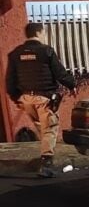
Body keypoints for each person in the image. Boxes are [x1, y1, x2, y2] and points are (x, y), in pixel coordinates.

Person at [5, 22, 77, 177]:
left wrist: (16, 97)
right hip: (45, 98)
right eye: (43, 32)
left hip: (26, 99)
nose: (44, 35)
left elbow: (10, 80)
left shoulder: (15, 54)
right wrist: (72, 85)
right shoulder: (46, 51)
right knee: (50, 129)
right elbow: (60, 74)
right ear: (39, 33)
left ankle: (46, 155)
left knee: (43, 128)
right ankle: (46, 164)